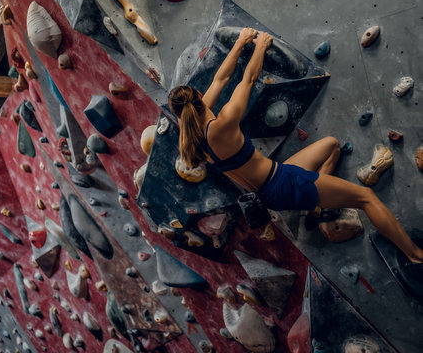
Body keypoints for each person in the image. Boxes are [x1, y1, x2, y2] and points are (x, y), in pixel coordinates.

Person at [168, 27, 423, 263]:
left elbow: (220, 80)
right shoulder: (221, 125)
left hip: (273, 185)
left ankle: (316, 204)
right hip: (282, 184)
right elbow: (248, 79)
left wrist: (240, 43)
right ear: (198, 97)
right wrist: (260, 46)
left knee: (331, 146)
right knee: (366, 198)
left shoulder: (189, 136)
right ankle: (415, 255)